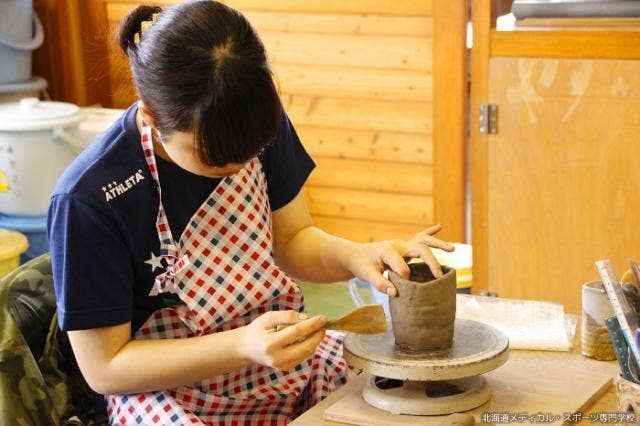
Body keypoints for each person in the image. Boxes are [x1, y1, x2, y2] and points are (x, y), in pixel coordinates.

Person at [47, 1, 454, 424]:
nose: (239, 166)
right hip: (164, 390)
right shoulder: (90, 198)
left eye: (252, 151)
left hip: (268, 353)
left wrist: (357, 256)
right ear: (151, 119)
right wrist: (239, 346)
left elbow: (293, 240)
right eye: (214, 157)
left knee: (398, 399)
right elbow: (106, 368)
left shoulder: (255, 120)